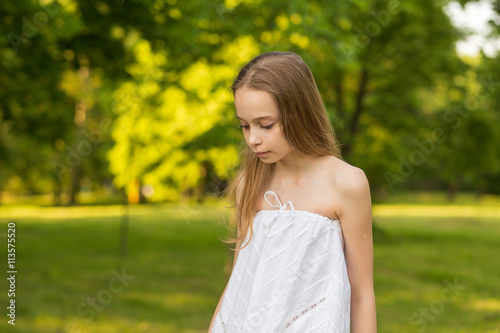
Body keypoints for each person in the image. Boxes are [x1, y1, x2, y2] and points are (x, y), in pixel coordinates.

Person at [208, 51, 376, 332]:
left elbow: (362, 296)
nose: (253, 139)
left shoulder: (347, 184)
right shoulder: (250, 182)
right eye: (244, 126)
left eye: (266, 125)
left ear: (299, 113)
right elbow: (239, 283)